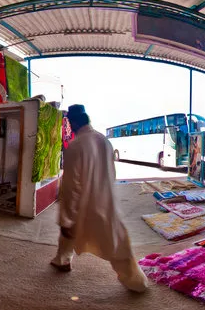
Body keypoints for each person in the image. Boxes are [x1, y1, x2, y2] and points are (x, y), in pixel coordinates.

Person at [50, 104, 148, 293]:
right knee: (114, 237)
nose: (68, 126)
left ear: (75, 122)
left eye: (69, 122)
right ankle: (62, 260)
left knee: (107, 241)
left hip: (88, 205)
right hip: (107, 199)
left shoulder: (75, 146)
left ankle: (137, 283)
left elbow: (71, 188)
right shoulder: (104, 140)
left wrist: (66, 217)